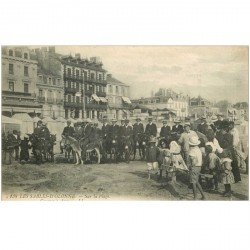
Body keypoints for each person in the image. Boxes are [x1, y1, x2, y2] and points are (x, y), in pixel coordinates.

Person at [188, 136, 206, 200]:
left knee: (193, 183)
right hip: (199, 167)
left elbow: (194, 161)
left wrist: (190, 166)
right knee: (197, 181)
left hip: (194, 167)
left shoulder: (192, 151)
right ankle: (203, 195)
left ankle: (195, 197)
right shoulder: (198, 149)